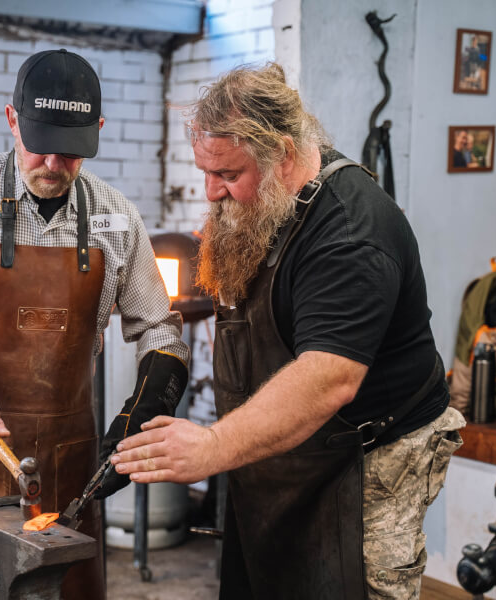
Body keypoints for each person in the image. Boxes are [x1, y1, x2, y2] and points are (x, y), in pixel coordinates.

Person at [111, 62, 465, 600]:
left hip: (370, 457)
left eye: (229, 176)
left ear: (284, 152)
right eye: (207, 172)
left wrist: (211, 446)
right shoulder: (263, 209)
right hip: (295, 450)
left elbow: (328, 379)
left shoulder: (350, 234)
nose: (211, 193)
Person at [0, 48, 189, 600]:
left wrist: (146, 408)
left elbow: (160, 329)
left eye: (71, 152)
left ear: (98, 131)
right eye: (41, 146)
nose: (53, 165)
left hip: (65, 469)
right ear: (12, 120)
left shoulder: (116, 217)